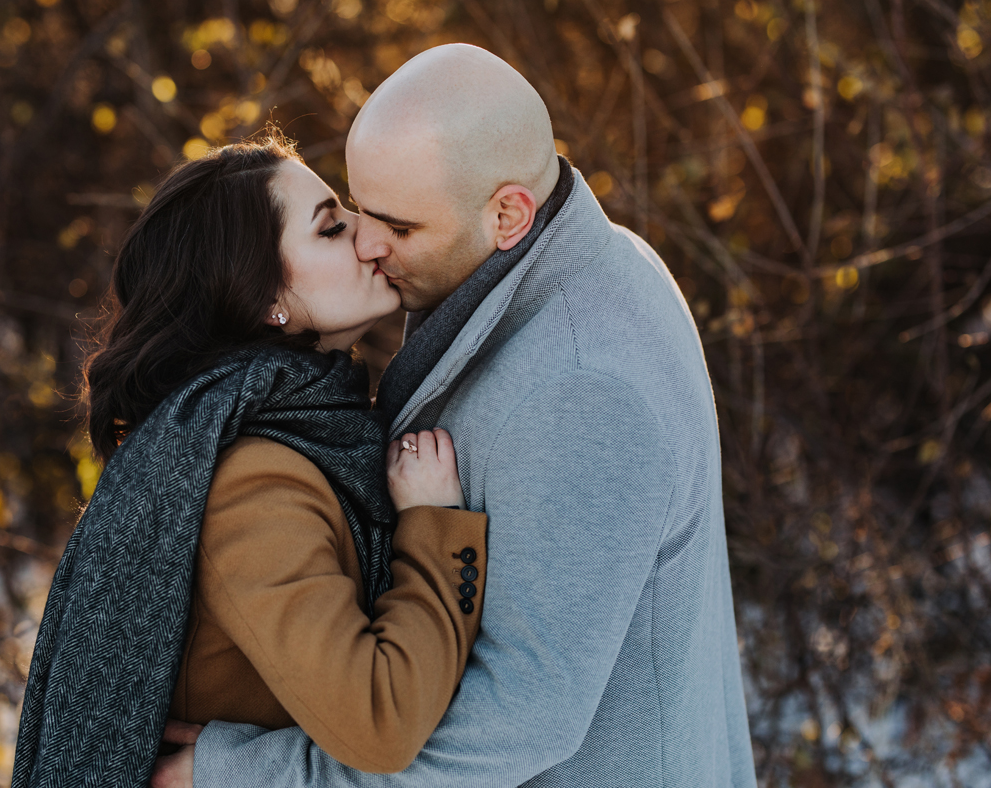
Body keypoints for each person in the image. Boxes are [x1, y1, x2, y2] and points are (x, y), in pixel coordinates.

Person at [182, 44, 759, 787]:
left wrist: (239, 776)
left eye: (398, 227)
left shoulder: (582, 387)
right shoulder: (565, 262)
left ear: (508, 214)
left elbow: (517, 718)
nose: (367, 243)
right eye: (358, 209)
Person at [9, 132, 491, 788]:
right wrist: (433, 528)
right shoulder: (255, 483)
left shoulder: (312, 429)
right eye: (331, 228)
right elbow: (383, 721)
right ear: (265, 299)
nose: (370, 235)